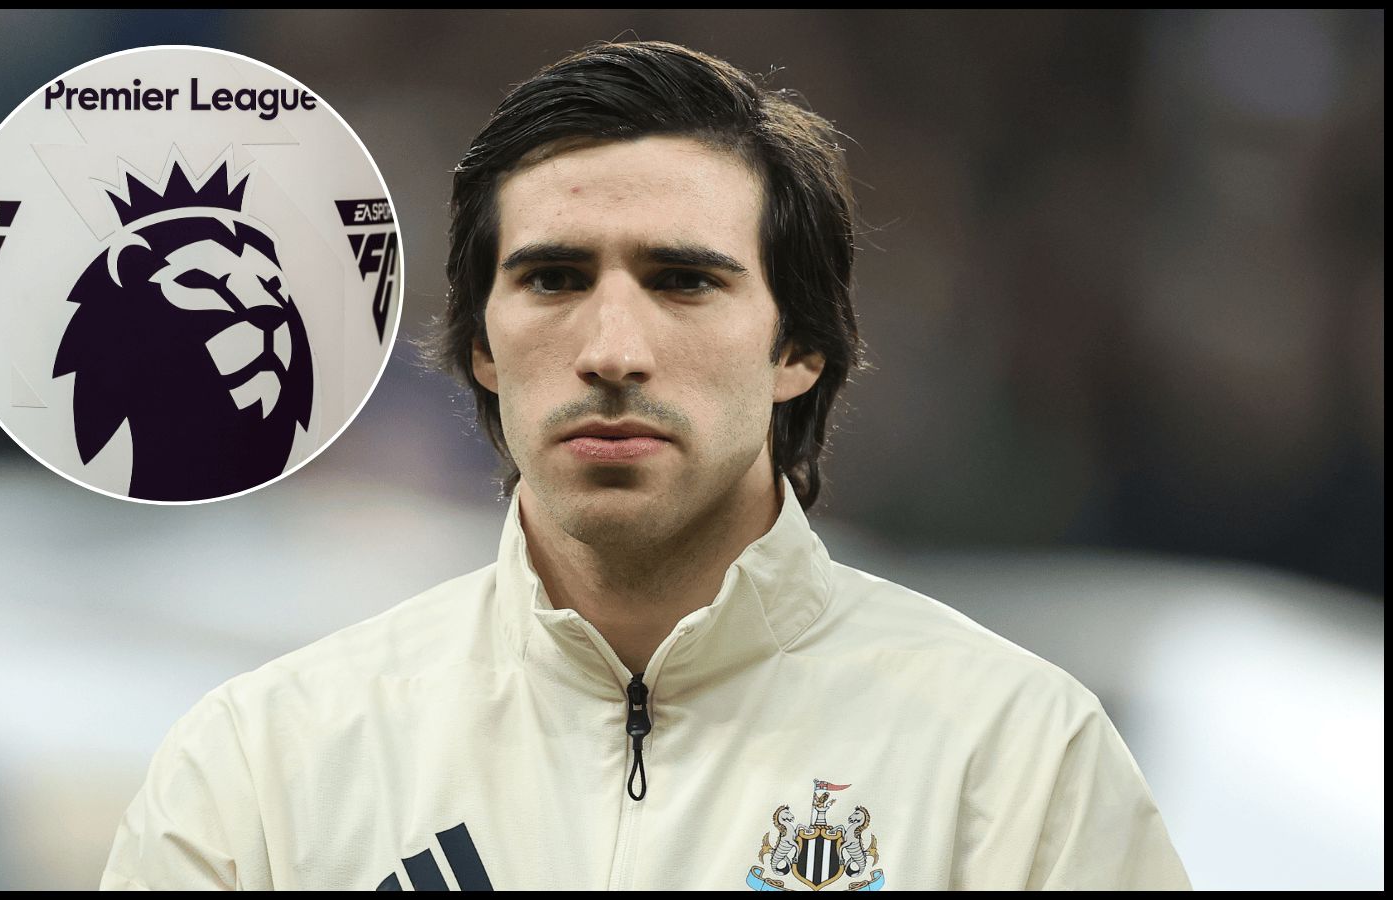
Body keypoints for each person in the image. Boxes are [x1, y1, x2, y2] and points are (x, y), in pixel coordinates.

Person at [100, 40, 1192, 891]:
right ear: (480, 344)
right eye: (554, 279)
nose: (612, 349)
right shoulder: (260, 764)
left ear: (798, 348)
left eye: (682, 281)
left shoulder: (1015, 758)